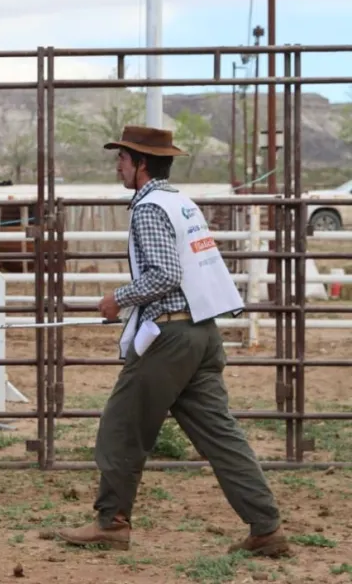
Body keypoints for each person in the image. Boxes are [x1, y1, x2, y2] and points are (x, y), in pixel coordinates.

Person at [54, 125, 289, 557]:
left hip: (169, 335)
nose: (117, 164)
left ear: (141, 163)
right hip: (202, 331)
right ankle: (266, 526)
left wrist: (117, 299)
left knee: (121, 428)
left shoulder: (148, 208)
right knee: (220, 434)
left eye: (122, 157)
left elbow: (165, 275)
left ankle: (112, 522)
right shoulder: (181, 203)